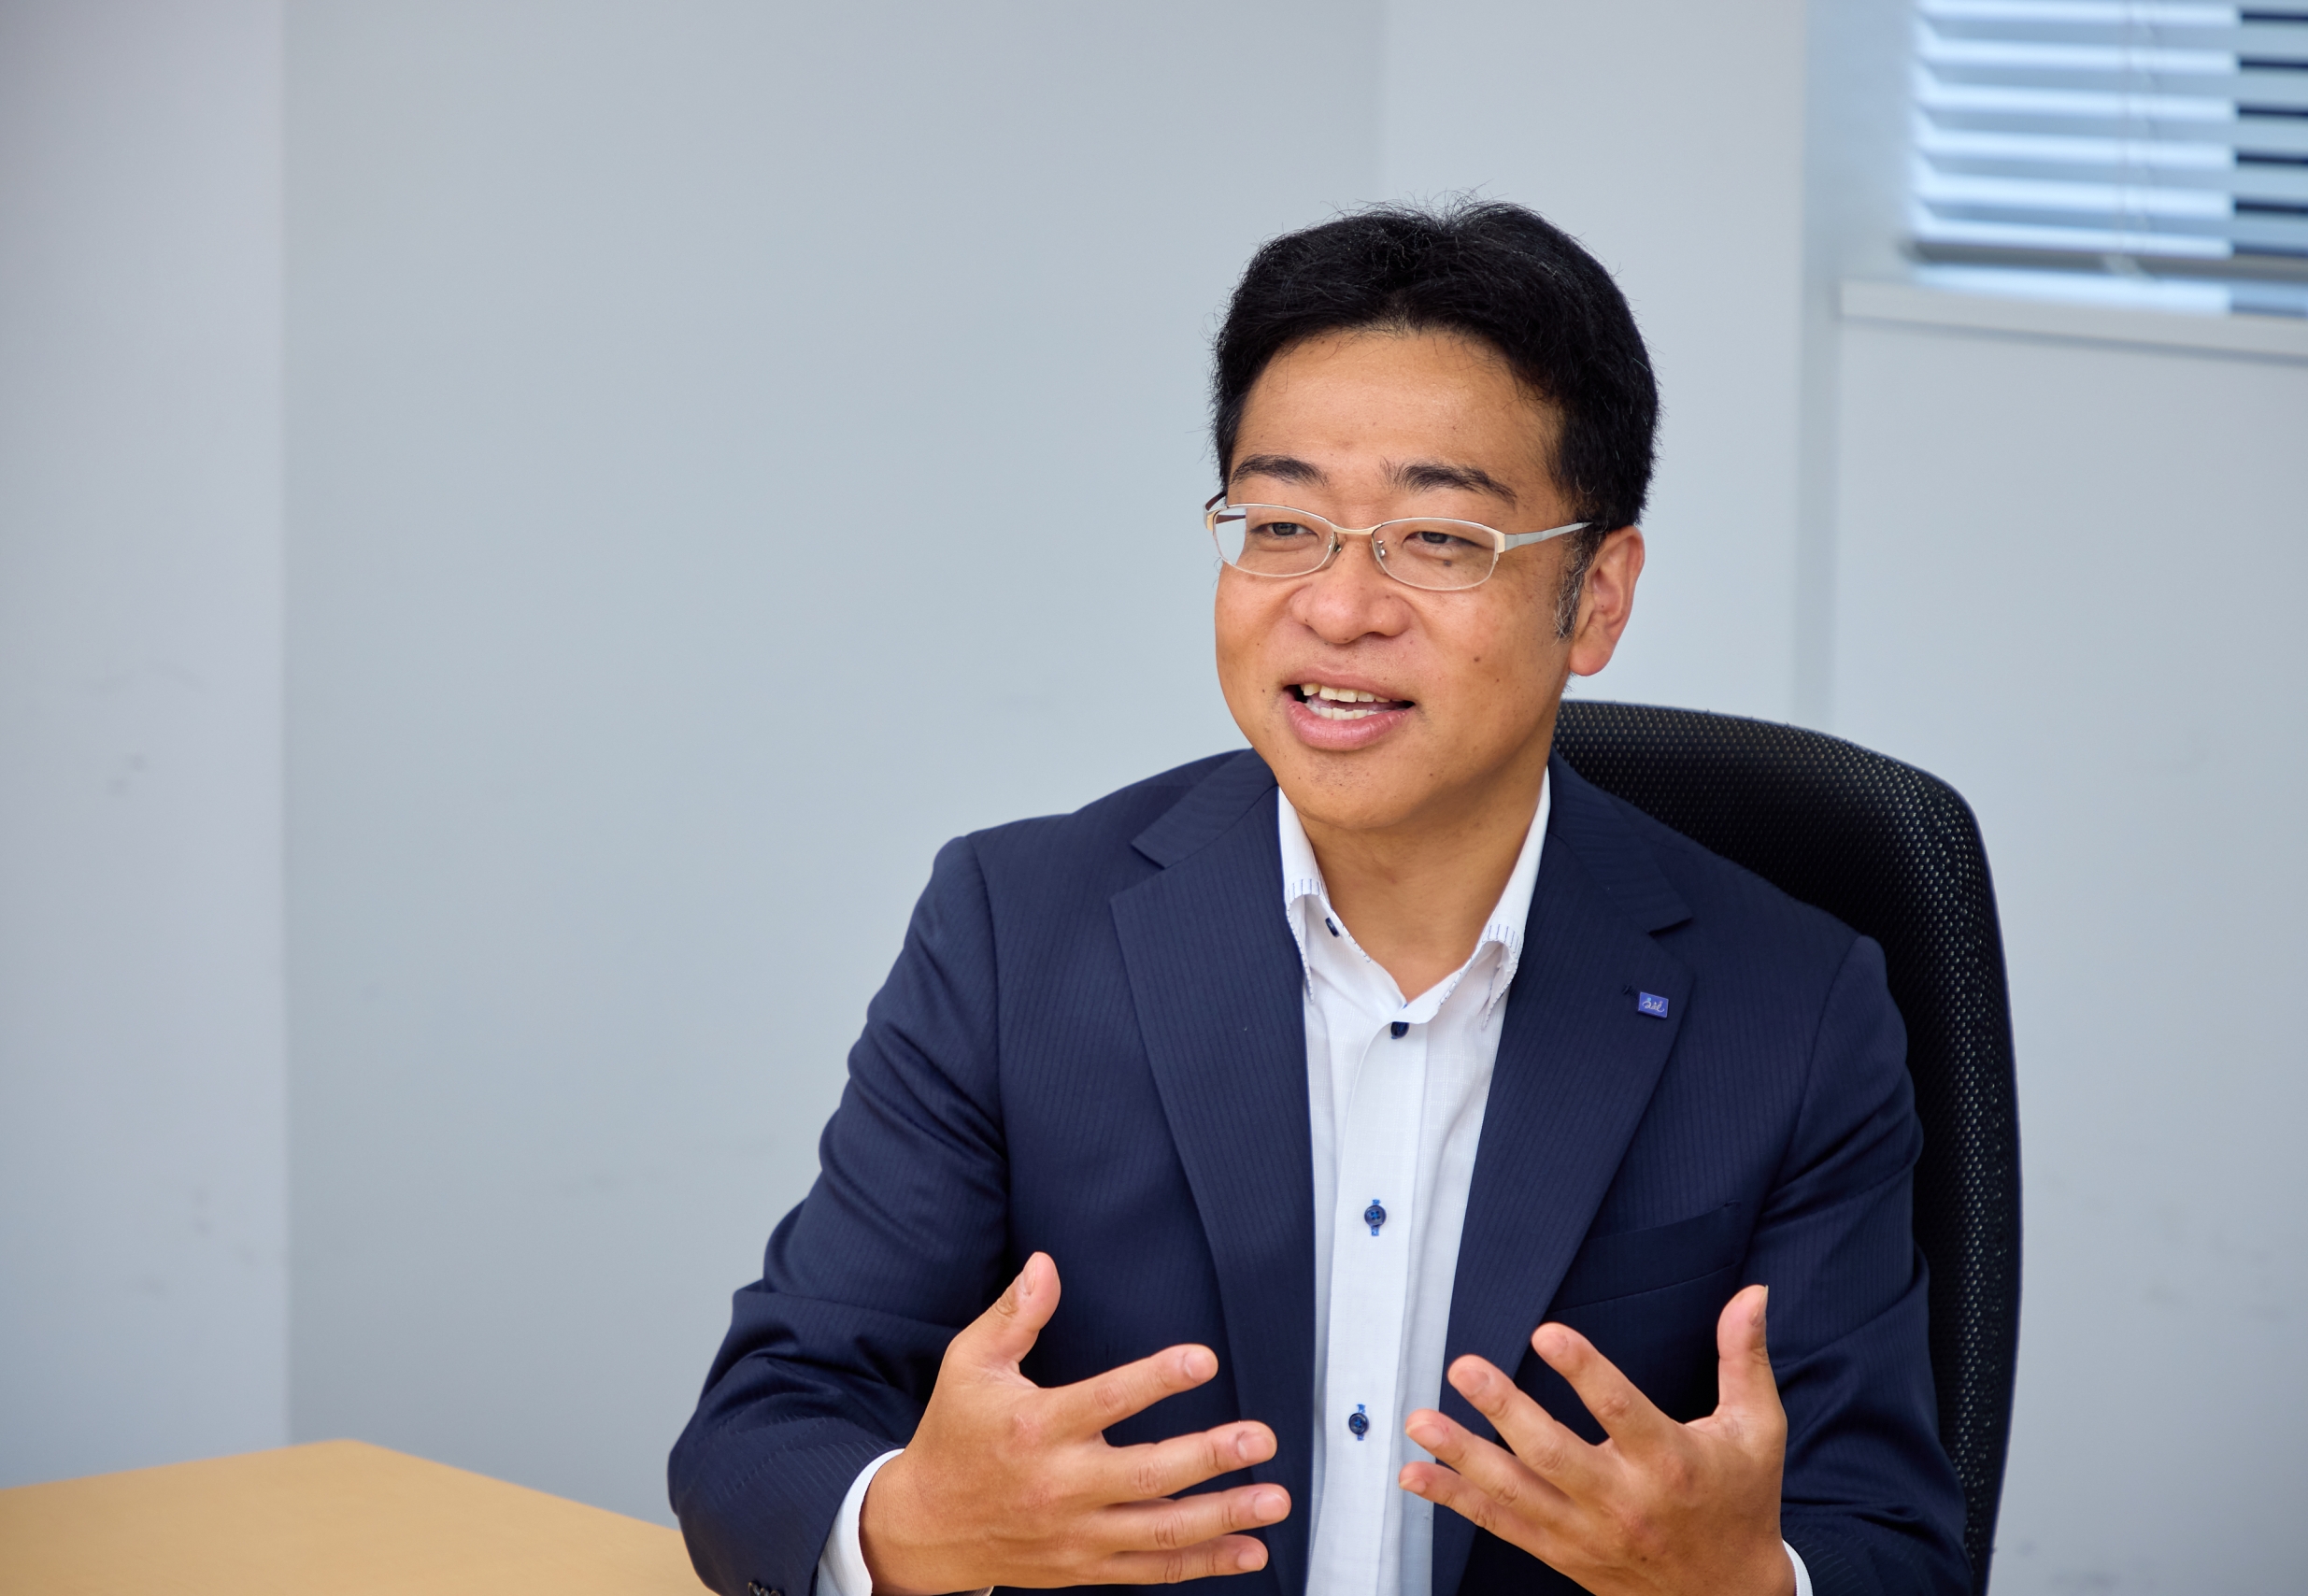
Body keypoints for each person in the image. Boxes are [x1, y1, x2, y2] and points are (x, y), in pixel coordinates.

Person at [668, 201, 1968, 1596]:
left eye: (1438, 539)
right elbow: (763, 1433)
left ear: (1596, 597)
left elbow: (1888, 1546)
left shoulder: (1793, 1011)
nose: (1340, 609)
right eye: (1283, 524)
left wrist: (1749, 1585)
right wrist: (911, 1522)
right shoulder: (1015, 931)